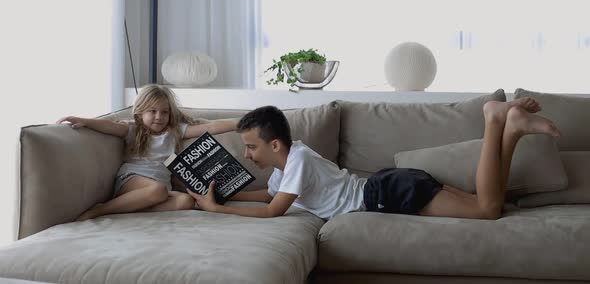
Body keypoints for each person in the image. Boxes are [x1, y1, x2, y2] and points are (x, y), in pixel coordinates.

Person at [187, 98, 560, 220]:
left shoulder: (297, 159)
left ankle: (494, 120)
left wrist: (218, 211)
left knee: (488, 210)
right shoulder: (282, 171)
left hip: (386, 194)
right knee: (489, 204)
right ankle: (510, 130)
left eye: (250, 147)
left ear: (275, 146)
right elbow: (267, 197)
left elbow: (273, 211)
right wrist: (220, 195)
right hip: (390, 185)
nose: (247, 154)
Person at [57, 84, 238, 221]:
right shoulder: (133, 129)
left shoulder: (174, 132)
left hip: (158, 190)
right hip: (133, 180)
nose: (159, 117)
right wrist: (86, 121)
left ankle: (132, 207)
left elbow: (211, 127)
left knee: (187, 201)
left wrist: (240, 123)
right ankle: (101, 210)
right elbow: (109, 126)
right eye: (153, 111)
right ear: (141, 112)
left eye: (164, 112)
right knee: (158, 190)